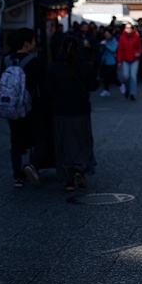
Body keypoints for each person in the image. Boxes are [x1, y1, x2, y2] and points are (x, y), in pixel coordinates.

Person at [44, 36, 98, 191]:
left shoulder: (54, 67)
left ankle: (68, 179)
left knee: (63, 144)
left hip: (60, 111)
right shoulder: (85, 65)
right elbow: (93, 85)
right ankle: (80, 168)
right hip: (81, 109)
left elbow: (47, 90)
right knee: (82, 141)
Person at [1, 27, 46, 188]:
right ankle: (32, 165)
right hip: (31, 106)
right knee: (41, 137)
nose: (35, 44)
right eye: (33, 41)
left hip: (12, 107)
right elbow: (42, 85)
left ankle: (17, 176)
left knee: (16, 141)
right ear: (26, 43)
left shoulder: (6, 60)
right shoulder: (34, 61)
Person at [117, 23, 142, 101]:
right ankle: (127, 89)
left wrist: (138, 53)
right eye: (127, 28)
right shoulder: (122, 38)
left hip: (134, 59)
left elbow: (140, 47)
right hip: (125, 59)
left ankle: (133, 93)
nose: (129, 29)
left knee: (133, 77)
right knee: (125, 77)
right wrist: (119, 61)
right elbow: (120, 50)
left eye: (130, 28)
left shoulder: (136, 37)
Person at [98, 29, 118, 96]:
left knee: (113, 77)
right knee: (105, 76)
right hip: (104, 60)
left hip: (111, 61)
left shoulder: (114, 41)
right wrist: (101, 46)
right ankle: (106, 90)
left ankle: (120, 85)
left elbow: (113, 50)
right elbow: (100, 51)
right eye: (105, 34)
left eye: (107, 34)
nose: (106, 36)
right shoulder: (104, 41)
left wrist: (106, 46)